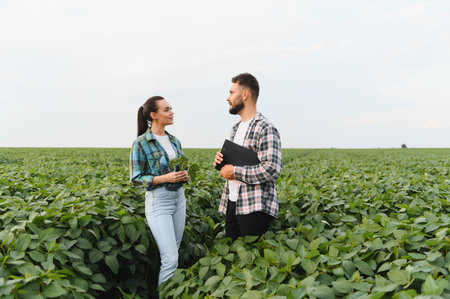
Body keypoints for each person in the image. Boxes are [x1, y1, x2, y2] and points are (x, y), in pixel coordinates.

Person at [213, 73, 283, 240]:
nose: (227, 98)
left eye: (231, 93)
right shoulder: (235, 128)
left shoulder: (265, 128)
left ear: (244, 95)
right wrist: (221, 162)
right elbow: (235, 164)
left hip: (254, 206)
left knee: (253, 260)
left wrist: (235, 172)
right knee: (235, 258)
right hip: (232, 202)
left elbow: (272, 168)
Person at [129, 96, 189, 287]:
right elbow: (136, 178)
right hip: (159, 201)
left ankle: (170, 291)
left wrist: (183, 176)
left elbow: (178, 169)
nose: (171, 112)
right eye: (166, 109)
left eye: (171, 108)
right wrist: (166, 178)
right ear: (153, 115)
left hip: (179, 198)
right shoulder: (141, 143)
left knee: (174, 253)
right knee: (170, 259)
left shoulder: (174, 141)